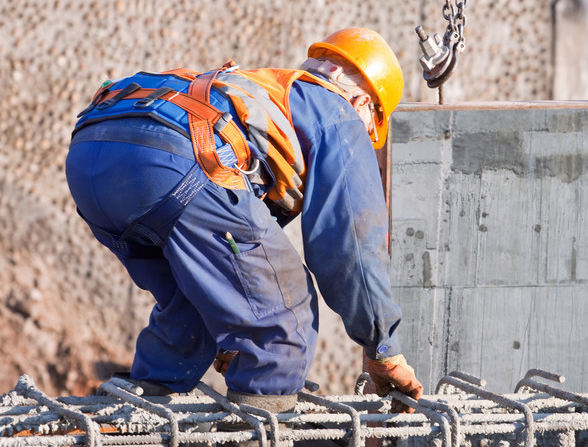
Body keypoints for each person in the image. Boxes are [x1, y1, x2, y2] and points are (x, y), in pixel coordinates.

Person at [65, 28, 423, 413]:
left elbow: (229, 265)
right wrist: (382, 346)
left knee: (195, 298)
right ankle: (261, 420)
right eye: (371, 128)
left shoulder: (259, 89)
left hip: (94, 159)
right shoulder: (337, 112)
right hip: (176, 167)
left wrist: (229, 324)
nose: (366, 137)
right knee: (283, 316)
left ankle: (131, 412)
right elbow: (350, 242)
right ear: (363, 100)